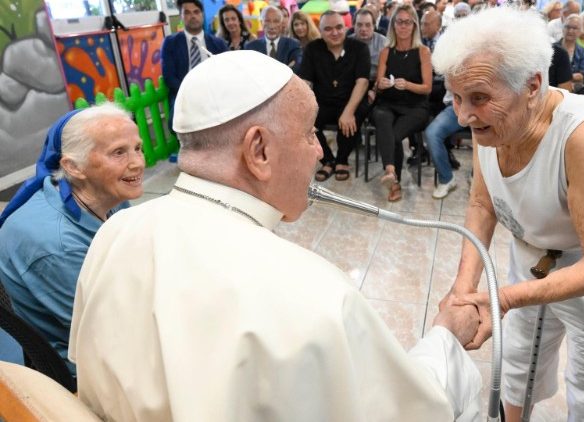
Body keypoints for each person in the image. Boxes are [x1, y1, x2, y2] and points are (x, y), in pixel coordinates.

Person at [68, 50, 482, 421]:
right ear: (259, 151)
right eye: (307, 133)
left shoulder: (115, 232)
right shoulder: (316, 296)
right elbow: (420, 410)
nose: (320, 150)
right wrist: (446, 336)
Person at [433, 7, 584, 421]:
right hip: (538, 256)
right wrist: (463, 289)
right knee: (518, 361)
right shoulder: (490, 123)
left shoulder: (583, 134)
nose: (463, 115)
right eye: (456, 97)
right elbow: (481, 203)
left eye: (479, 98)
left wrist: (500, 299)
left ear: (532, 86)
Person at [0, 104, 144, 377]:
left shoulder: (106, 194)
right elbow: (111, 337)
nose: (137, 162)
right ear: (73, 167)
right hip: (90, 368)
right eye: (118, 152)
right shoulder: (55, 245)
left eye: (137, 147)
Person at [299, 11, 370, 182]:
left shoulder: (359, 48)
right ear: (320, 31)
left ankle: (342, 160)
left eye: (339, 27)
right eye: (328, 29)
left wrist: (348, 111)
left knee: (353, 115)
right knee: (305, 121)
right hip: (322, 101)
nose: (335, 32)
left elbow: (362, 82)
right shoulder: (312, 49)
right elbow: (306, 82)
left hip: (351, 99)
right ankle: (327, 160)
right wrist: (304, 109)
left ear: (345, 27)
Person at [372, 4, 432, 202]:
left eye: (407, 22)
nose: (403, 26)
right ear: (393, 25)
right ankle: (392, 174)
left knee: (394, 136)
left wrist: (407, 85)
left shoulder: (423, 52)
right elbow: (379, 86)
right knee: (381, 117)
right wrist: (380, 84)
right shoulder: (386, 52)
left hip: (415, 106)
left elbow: (427, 88)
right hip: (388, 103)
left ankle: (392, 177)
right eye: (399, 22)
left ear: (414, 25)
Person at [162, 0, 228, 130]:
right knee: (177, 122)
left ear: (202, 15)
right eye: (187, 12)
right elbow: (169, 76)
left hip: (213, 93)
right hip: (184, 94)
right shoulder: (170, 43)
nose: (192, 16)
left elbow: (226, 72)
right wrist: (192, 92)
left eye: (196, 12)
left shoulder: (218, 43)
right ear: (181, 16)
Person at [245, 6, 302, 70]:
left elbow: (296, 69)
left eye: (276, 21)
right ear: (261, 23)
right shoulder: (251, 47)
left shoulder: (293, 45)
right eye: (267, 21)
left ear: (281, 24)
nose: (272, 26)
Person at [555, 13, 584, 93]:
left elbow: (583, 76)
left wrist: (561, 77)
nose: (570, 31)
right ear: (562, 28)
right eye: (567, 27)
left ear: (581, 31)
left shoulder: (582, 52)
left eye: (574, 28)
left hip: (573, 92)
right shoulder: (552, 48)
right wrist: (571, 77)